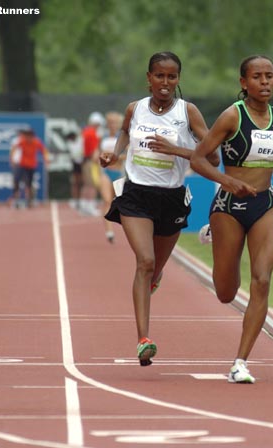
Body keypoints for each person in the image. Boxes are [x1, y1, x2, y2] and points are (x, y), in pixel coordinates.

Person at [190, 55, 273, 384]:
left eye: (270, 76)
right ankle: (214, 232)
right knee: (226, 293)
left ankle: (240, 361)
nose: (265, 82)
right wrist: (228, 181)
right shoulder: (231, 116)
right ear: (244, 83)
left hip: (264, 205)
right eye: (257, 77)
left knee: (263, 280)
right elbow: (199, 159)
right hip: (229, 206)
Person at [99, 51, 219, 367]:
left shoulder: (187, 112)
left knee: (154, 268)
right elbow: (125, 131)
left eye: (172, 77)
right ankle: (143, 340)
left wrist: (176, 149)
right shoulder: (134, 109)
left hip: (172, 198)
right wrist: (115, 154)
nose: (165, 83)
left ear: (178, 79)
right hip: (136, 195)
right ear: (149, 78)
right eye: (159, 76)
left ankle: (155, 275)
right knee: (145, 261)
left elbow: (214, 158)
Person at [96, 111, 125, 243]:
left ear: (119, 124)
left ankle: (128, 229)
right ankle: (109, 231)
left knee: (120, 203)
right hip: (106, 173)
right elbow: (97, 154)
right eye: (110, 122)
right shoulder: (103, 137)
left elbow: (129, 153)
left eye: (115, 122)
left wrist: (115, 157)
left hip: (119, 173)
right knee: (107, 200)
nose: (112, 125)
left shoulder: (123, 137)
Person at [9, 127, 49, 208]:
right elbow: (14, 148)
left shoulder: (36, 142)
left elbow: (44, 150)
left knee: (29, 184)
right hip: (22, 165)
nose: (27, 137)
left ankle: (28, 201)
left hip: (31, 166)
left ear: (32, 136)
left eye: (29, 136)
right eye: (26, 135)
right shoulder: (22, 141)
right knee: (16, 182)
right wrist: (12, 159)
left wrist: (46, 159)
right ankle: (16, 200)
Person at [79, 112, 105, 216]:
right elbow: (95, 152)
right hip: (91, 162)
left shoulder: (85, 132)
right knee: (93, 184)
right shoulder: (93, 134)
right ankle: (90, 207)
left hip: (85, 161)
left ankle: (84, 205)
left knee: (86, 184)